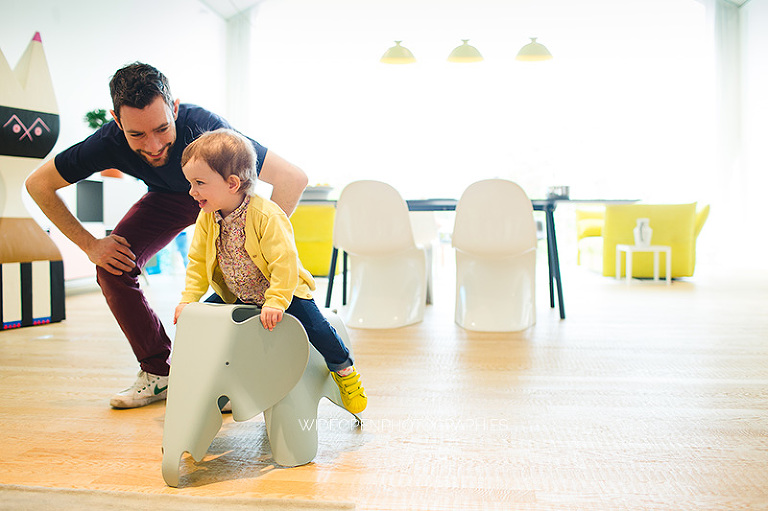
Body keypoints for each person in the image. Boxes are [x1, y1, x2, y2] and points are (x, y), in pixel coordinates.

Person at [25, 63, 308, 409]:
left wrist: (258, 245)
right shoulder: (107, 143)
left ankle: (244, 375)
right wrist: (90, 245)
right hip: (166, 199)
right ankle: (159, 372)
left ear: (175, 108)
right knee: (112, 267)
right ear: (117, 122)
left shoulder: (207, 128)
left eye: (161, 128)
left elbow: (292, 178)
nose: (155, 145)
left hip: (222, 201)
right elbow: (38, 184)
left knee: (245, 279)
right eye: (137, 135)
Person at [173, 128, 367, 414]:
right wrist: (189, 299)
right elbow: (197, 262)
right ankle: (219, 381)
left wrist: (276, 300)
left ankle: (344, 371)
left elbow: (284, 263)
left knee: (317, 328)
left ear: (232, 183)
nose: (192, 191)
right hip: (238, 293)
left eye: (199, 182)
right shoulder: (207, 218)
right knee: (204, 323)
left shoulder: (267, 215)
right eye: (190, 182)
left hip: (284, 291)